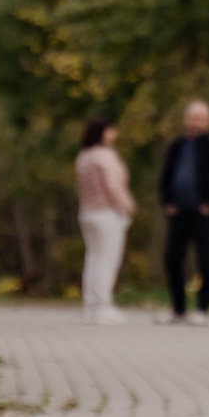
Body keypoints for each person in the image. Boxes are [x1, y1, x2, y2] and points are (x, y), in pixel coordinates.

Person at [155, 100, 209, 325]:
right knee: (172, 258)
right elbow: (166, 176)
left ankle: (203, 309)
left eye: (200, 119)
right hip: (178, 212)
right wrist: (167, 201)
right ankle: (178, 309)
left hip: (203, 214)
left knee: (204, 259)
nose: (196, 123)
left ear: (208, 122)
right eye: (192, 118)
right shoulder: (177, 145)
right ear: (186, 119)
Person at [75, 119, 135, 324]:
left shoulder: (84, 156)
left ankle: (90, 306)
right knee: (107, 261)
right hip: (107, 213)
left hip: (87, 213)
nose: (114, 134)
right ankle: (103, 306)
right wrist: (126, 206)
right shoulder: (105, 155)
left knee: (93, 259)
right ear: (102, 133)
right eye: (110, 131)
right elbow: (112, 186)